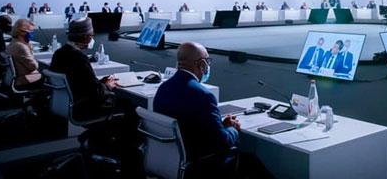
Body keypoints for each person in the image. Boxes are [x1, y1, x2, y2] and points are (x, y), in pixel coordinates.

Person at [153, 42, 271, 178]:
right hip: (199, 163)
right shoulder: (203, 95)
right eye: (208, 61)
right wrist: (232, 128)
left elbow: (190, 124)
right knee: (251, 162)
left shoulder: (163, 88)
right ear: (202, 64)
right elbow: (221, 142)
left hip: (169, 160)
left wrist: (221, 126)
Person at [50, 17, 142, 173]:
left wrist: (101, 82)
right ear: (86, 37)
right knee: (130, 106)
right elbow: (94, 93)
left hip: (68, 103)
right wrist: (107, 86)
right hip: (84, 107)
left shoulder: (59, 53)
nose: (92, 38)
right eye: (92, 35)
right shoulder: (78, 57)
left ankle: (99, 139)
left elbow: (80, 82)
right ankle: (124, 152)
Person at [6, 19, 43, 88]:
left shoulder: (12, 43)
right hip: (22, 80)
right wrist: (30, 51)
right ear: (22, 32)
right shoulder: (22, 47)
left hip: (14, 78)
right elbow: (34, 66)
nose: (32, 34)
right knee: (48, 77)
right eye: (31, 32)